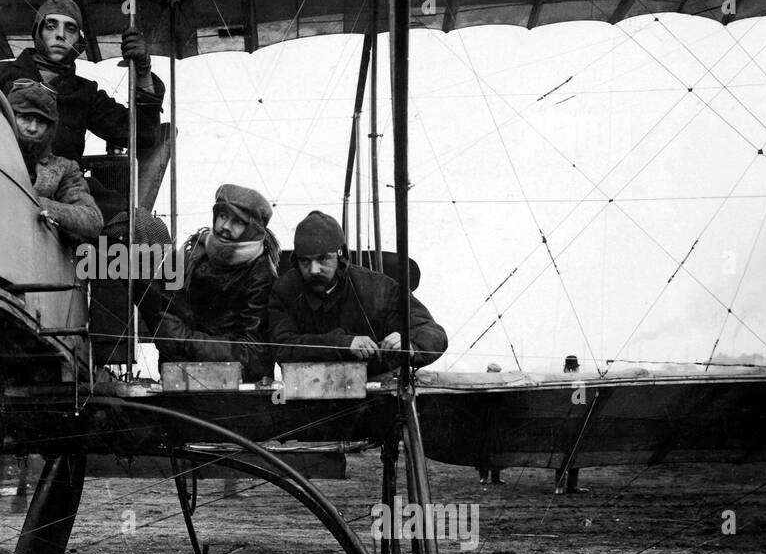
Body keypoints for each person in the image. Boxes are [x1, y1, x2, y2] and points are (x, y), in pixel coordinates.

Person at [0, 0, 165, 164]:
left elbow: (144, 135)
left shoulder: (86, 93)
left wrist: (143, 70)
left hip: (62, 194)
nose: (60, 35)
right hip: (0, 186)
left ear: (79, 41)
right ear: (37, 31)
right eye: (50, 26)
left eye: (70, 28)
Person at [268, 211, 447, 376]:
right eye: (305, 261)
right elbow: (281, 347)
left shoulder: (379, 289)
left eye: (323, 259)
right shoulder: (285, 290)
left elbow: (433, 333)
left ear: (340, 255)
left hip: (376, 393)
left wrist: (410, 343)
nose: (314, 270)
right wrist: (343, 344)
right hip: (307, 391)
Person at [143, 184, 279, 383]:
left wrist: (185, 341)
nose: (225, 226)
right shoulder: (195, 253)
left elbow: (253, 355)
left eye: (238, 222)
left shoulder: (261, 274)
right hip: (184, 378)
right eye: (223, 216)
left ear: (253, 230)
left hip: (241, 388)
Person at [8, 83, 103, 243]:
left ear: (51, 127)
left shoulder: (63, 168)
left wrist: (43, 206)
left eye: (41, 122)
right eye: (25, 118)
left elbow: (92, 219)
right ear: (11, 117)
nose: (32, 128)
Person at [556, 354, 587, 494]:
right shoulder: (578, 382)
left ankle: (562, 486)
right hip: (572, 423)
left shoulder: (558, 380)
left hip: (565, 423)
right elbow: (579, 404)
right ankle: (567, 486)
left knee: (566, 455)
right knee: (569, 455)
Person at [478, 362, 505, 485]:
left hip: (497, 423)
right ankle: (484, 476)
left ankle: (495, 477)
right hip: (484, 423)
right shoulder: (481, 385)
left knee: (496, 450)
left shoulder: (502, 387)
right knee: (484, 450)